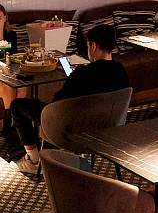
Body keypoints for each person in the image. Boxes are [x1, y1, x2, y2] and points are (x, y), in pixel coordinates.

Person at [8, 22, 130, 175]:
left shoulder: (83, 74)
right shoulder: (121, 71)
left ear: (93, 46)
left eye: (87, 46)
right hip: (109, 132)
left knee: (17, 106)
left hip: (72, 130)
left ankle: (33, 160)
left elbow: (57, 103)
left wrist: (72, 78)